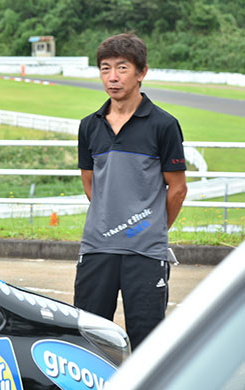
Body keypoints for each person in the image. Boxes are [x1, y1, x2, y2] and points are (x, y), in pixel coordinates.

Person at [74, 33, 188, 350]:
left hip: (146, 251)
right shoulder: (89, 126)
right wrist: (110, 218)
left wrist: (149, 226)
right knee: (88, 337)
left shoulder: (164, 125)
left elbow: (177, 189)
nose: (112, 77)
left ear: (141, 73)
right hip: (97, 248)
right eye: (105, 68)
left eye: (122, 68)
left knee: (146, 341)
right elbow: (90, 181)